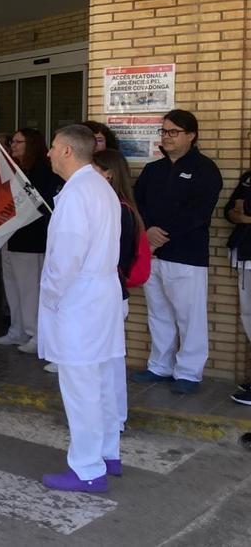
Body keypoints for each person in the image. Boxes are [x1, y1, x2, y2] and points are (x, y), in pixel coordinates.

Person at [37, 125, 124, 493]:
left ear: (69, 151)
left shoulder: (76, 195)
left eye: (54, 147)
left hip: (79, 298)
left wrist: (50, 296)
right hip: (101, 295)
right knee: (101, 380)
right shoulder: (100, 186)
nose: (49, 153)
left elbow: (67, 256)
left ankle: (88, 468)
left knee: (81, 387)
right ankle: (107, 453)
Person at [132, 109, 222, 394]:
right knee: (159, 313)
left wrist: (162, 235)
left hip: (186, 255)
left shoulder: (205, 169)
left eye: (173, 132)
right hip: (154, 254)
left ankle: (188, 373)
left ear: (191, 136)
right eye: (164, 131)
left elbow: (199, 212)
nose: (166, 137)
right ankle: (160, 366)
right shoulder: (152, 169)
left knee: (189, 316)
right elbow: (137, 204)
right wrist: (147, 232)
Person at [0, 128, 62, 354]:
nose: (13, 145)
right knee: (12, 286)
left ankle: (36, 334)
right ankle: (17, 329)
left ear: (31, 143)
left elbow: (44, 205)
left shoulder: (42, 170)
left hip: (32, 240)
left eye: (18, 142)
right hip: (11, 235)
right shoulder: (16, 169)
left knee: (30, 289)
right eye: (12, 141)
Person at [94, 149, 141, 430]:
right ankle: (112, 418)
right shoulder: (116, 206)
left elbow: (119, 257)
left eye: (94, 170)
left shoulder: (118, 209)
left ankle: (113, 419)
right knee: (108, 361)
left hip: (111, 291)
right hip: (112, 292)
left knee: (108, 363)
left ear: (108, 173)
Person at [225, 165, 251, 405]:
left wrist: (245, 216)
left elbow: (242, 212)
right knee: (248, 317)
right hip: (244, 254)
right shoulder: (248, 177)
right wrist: (239, 215)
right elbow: (230, 211)